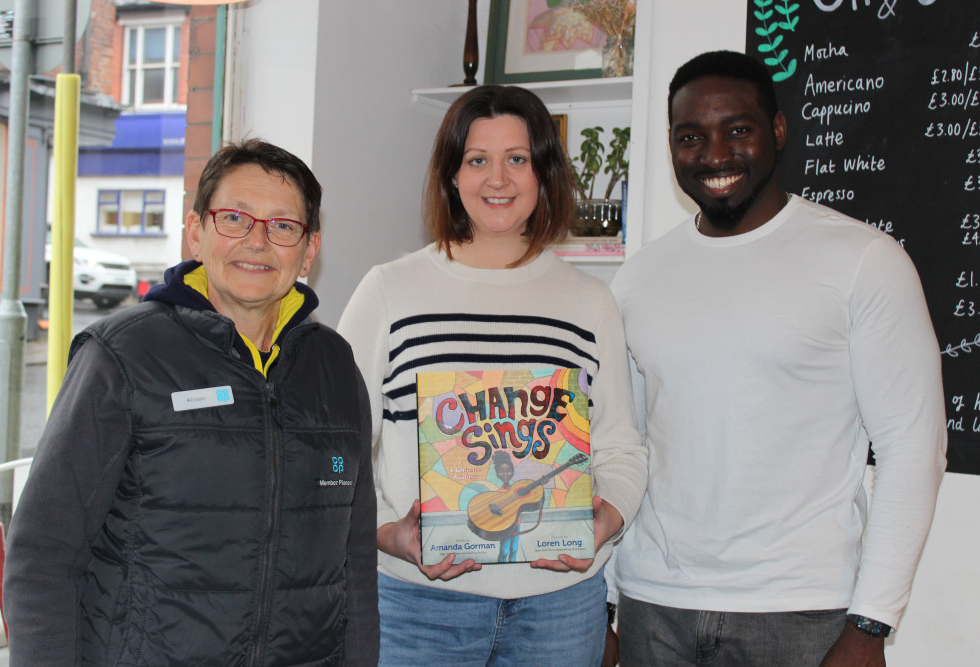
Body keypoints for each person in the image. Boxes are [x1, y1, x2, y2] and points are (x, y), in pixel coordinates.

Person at [608, 50, 947, 666]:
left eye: (738, 129)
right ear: (671, 146)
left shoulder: (863, 260)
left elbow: (912, 445)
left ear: (778, 130)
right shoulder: (638, 281)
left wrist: (870, 625)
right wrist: (606, 603)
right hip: (651, 605)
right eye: (691, 137)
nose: (714, 155)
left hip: (800, 612)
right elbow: (622, 449)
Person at [3, 139, 379, 665]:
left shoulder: (335, 368)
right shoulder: (123, 355)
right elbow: (45, 552)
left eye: (282, 226)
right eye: (234, 218)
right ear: (196, 233)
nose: (257, 241)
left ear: (308, 250)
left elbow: (354, 560)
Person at [337, 84, 647, 666]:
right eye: (477, 160)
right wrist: (387, 532)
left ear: (544, 173)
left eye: (518, 159)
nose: (497, 179)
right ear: (452, 175)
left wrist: (606, 520)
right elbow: (333, 450)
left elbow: (622, 451)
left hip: (560, 608)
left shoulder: (589, 302)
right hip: (417, 607)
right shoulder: (389, 291)